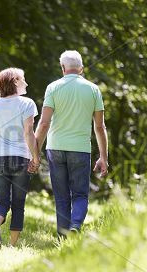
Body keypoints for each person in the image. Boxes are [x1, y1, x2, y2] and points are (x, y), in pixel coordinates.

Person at [34, 50, 109, 237]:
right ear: (81, 69)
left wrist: (34, 152)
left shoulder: (53, 88)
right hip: (80, 150)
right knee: (80, 195)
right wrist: (103, 157)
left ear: (62, 68)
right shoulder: (93, 90)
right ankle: (75, 225)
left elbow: (43, 124)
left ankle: (63, 236)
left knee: (61, 197)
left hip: (55, 148)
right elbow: (99, 127)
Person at [0, 67, 39, 249]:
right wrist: (35, 157)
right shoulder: (27, 103)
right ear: (15, 81)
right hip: (20, 158)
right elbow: (28, 132)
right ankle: (12, 246)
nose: (27, 83)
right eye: (23, 79)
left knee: (2, 201)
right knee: (18, 203)